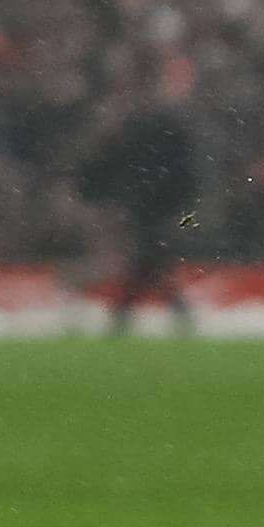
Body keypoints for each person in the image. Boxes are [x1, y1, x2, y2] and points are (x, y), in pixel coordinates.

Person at [78, 62, 202, 335]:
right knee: (150, 264)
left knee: (147, 264)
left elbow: (117, 169)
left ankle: (125, 316)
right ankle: (161, 314)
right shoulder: (158, 127)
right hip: (157, 208)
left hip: (156, 209)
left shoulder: (146, 128)